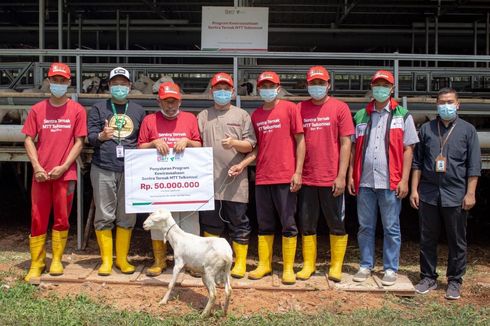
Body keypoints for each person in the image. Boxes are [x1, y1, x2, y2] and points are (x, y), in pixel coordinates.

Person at [231, 71, 305, 285]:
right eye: (263, 86)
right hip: (263, 176)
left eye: (270, 85)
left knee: (288, 222)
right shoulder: (256, 115)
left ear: (278, 87)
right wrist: (242, 164)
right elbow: (256, 149)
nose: (266, 89)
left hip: (285, 175)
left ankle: (288, 267)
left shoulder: (291, 109)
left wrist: (298, 171)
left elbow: (300, 141)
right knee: (264, 223)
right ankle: (265, 265)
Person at [348, 70, 418, 286]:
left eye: (384, 85)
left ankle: (390, 268)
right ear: (371, 87)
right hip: (365, 181)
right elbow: (353, 149)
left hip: (390, 181)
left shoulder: (403, 115)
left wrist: (404, 180)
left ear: (392, 88)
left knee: (391, 227)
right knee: (365, 226)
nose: (380, 88)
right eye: (377, 84)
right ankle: (365, 265)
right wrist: (351, 175)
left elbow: (408, 150)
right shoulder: (361, 115)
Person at [410, 88, 481, 300]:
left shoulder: (468, 131)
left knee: (457, 239)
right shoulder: (426, 129)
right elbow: (417, 163)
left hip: (456, 194)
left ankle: (455, 281)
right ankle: (428, 277)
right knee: (427, 237)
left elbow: (473, 166)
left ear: (458, 104)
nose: (445, 106)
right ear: (436, 105)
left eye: (450, 102)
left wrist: (471, 193)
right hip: (429, 193)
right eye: (441, 102)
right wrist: (414, 189)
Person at [23, 62, 87, 281]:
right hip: (41, 174)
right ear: (49, 81)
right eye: (55, 80)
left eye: (63, 80)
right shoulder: (37, 109)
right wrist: (37, 166)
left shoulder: (77, 110)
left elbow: (79, 142)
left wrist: (64, 165)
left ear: (69, 82)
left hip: (65, 174)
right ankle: (37, 261)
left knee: (62, 217)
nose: (59, 84)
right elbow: (29, 139)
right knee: (38, 216)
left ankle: (57, 259)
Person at [296, 66, 354, 282]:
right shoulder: (299, 108)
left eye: (321, 83)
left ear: (328, 84)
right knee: (307, 222)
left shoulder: (340, 108)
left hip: (331, 177)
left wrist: (341, 175)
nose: (317, 87)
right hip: (308, 177)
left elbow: (346, 143)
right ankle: (309, 264)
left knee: (336, 221)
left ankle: (336, 265)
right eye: (313, 83)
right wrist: (298, 172)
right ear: (307, 85)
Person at [138, 81, 202, 276]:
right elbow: (139, 147)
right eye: (166, 101)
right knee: (160, 221)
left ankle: (192, 263)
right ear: (159, 101)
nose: (170, 105)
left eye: (174, 101)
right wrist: (153, 143)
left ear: (180, 101)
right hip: (160, 181)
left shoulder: (190, 119)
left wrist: (188, 141)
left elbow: (199, 146)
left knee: (190, 221)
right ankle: (160, 261)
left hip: (185, 181)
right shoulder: (150, 120)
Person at [197, 72, 256, 279]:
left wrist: (233, 143)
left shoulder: (242, 115)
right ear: (211, 92)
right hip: (209, 181)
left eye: (225, 89)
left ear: (232, 91)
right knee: (210, 223)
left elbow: (250, 145)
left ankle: (239, 263)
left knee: (238, 222)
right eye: (217, 89)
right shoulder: (203, 116)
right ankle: (211, 262)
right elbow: (196, 145)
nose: (221, 92)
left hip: (235, 180)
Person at [87, 67, 146, 276]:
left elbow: (143, 139)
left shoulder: (138, 110)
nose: (119, 87)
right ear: (109, 86)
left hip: (130, 169)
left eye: (123, 83)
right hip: (103, 166)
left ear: (130, 86)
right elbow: (90, 137)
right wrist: (101, 136)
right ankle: (105, 261)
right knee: (104, 214)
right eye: (115, 83)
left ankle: (122, 259)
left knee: (127, 215)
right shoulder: (98, 108)